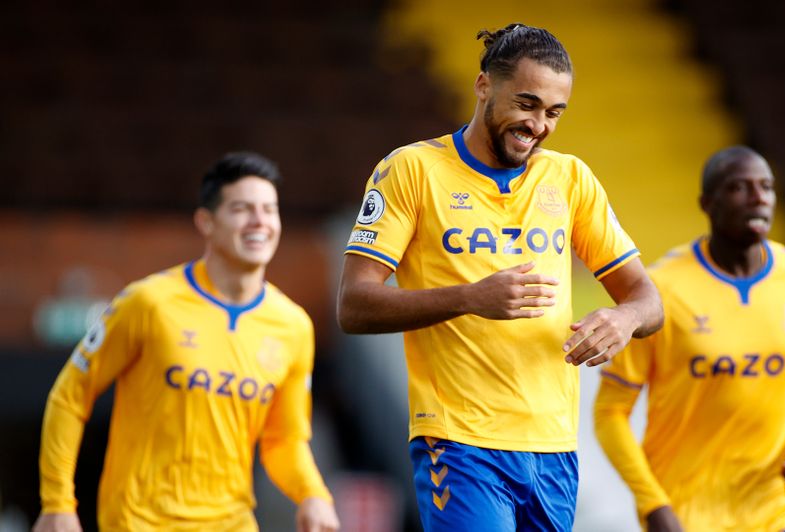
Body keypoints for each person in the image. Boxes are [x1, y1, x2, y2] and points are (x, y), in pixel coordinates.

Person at [336, 23, 663, 531]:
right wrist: (469, 297)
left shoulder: (570, 178)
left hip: (554, 446)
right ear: (484, 85)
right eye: (527, 104)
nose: (539, 125)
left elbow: (648, 299)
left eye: (554, 112)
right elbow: (354, 305)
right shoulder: (411, 170)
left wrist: (623, 320)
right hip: (461, 441)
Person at [33, 152, 340, 532]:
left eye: (269, 209)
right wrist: (58, 503)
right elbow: (70, 396)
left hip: (232, 523)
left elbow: (284, 439)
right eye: (243, 209)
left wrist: (313, 496)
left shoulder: (293, 326)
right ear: (206, 222)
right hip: (139, 522)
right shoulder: (148, 303)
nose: (260, 221)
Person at [594, 146, 785, 531]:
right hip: (683, 514)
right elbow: (610, 413)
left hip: (772, 509)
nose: (759, 197)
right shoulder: (661, 292)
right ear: (707, 203)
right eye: (740, 188)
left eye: (766, 187)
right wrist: (652, 502)